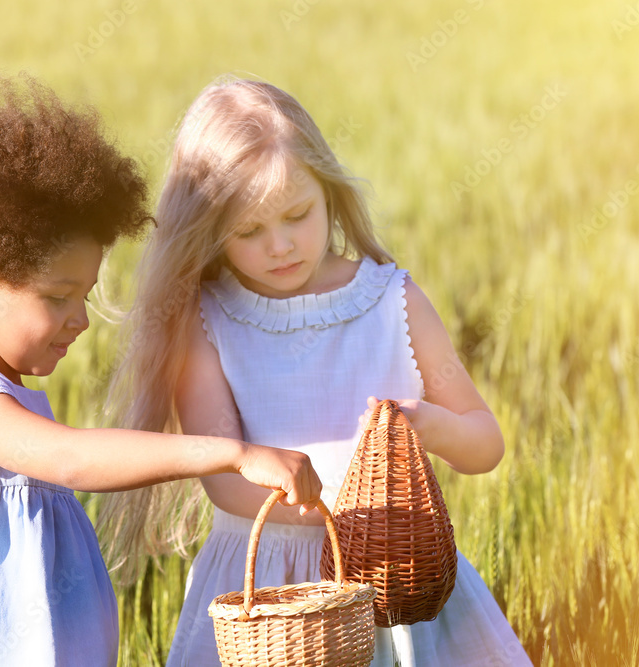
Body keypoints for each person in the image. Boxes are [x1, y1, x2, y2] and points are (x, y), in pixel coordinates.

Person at [0, 76, 322, 667]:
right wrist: (232, 453)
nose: (79, 321)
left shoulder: (18, 402)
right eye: (58, 296)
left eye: (84, 297)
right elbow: (72, 459)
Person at [103, 77, 532, 666]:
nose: (279, 245)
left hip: (392, 579)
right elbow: (226, 478)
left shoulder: (392, 300)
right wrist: (343, 522)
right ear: (209, 231)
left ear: (329, 192)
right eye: (248, 231)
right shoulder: (206, 320)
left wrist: (430, 426)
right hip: (271, 596)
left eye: (298, 215)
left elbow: (484, 442)